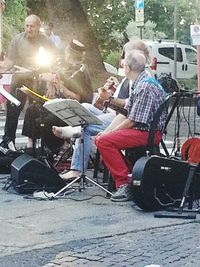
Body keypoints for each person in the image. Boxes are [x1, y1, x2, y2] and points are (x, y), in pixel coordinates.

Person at [52, 38, 151, 180]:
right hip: (117, 114)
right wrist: (106, 98)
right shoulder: (130, 78)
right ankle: (75, 130)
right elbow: (123, 105)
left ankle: (77, 166)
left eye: (126, 55)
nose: (123, 60)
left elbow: (130, 110)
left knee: (85, 125)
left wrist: (110, 104)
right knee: (84, 107)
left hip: (127, 120)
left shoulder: (141, 80)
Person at [95, 50, 167, 202]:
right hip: (144, 129)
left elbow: (133, 120)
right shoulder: (142, 80)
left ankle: (124, 183)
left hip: (148, 132)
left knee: (103, 141)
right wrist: (108, 131)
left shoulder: (144, 87)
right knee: (102, 139)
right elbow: (127, 110)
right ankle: (131, 174)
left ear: (127, 68)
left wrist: (110, 134)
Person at [22, 39, 93, 153]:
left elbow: (77, 98)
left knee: (45, 120)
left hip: (75, 111)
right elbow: (54, 92)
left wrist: (60, 86)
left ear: (69, 54)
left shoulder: (79, 72)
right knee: (32, 109)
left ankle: (57, 148)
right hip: (63, 106)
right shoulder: (66, 69)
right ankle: (30, 146)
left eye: (66, 51)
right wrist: (50, 85)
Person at [0, 14, 57, 150]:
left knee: (35, 111)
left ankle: (33, 143)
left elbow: (54, 64)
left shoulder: (47, 42)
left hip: (38, 79)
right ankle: (8, 140)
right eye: (27, 25)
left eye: (32, 26)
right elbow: (9, 62)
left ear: (38, 27)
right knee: (13, 109)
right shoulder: (17, 40)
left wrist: (51, 83)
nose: (29, 29)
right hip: (19, 78)